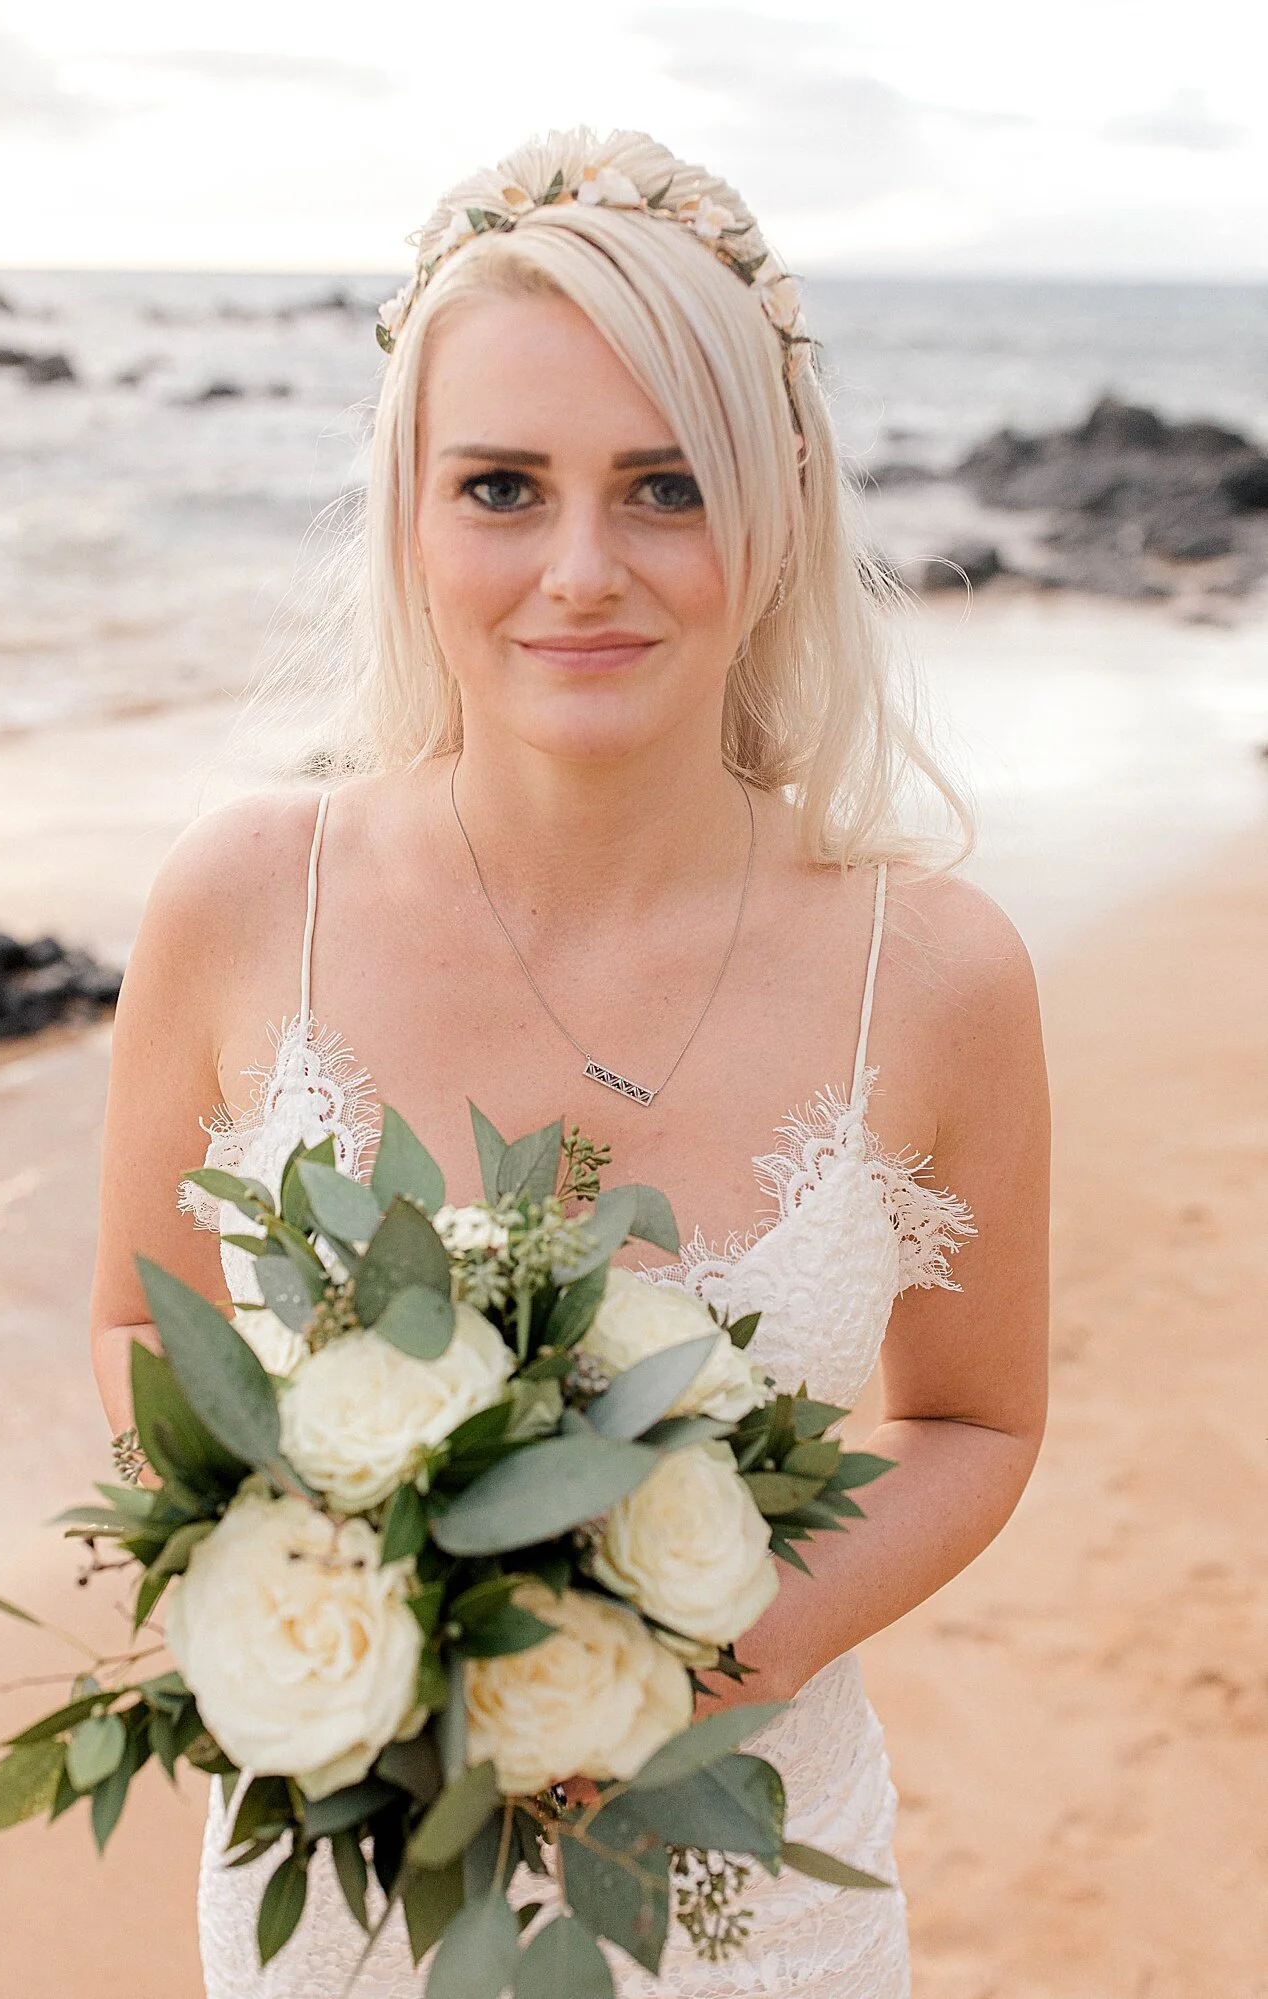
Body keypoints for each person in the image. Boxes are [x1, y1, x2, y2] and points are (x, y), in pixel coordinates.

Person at [89, 127, 1049, 1999]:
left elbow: (981, 1426)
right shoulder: (236, 901)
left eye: (665, 486)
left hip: (753, 1897)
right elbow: (145, 1333)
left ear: (771, 512)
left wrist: (683, 1666)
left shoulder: (933, 975)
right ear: (410, 514)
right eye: (505, 485)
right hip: (351, 1895)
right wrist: (352, 1617)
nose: (584, 572)